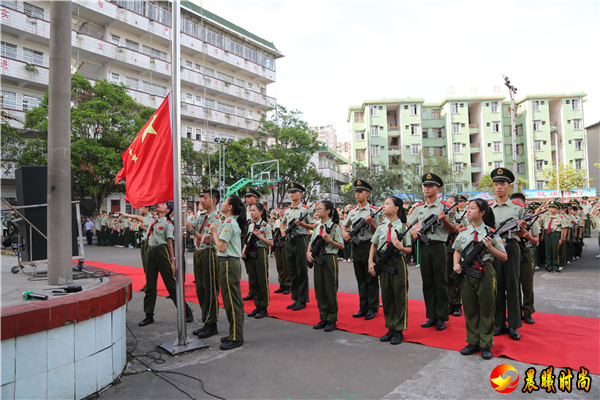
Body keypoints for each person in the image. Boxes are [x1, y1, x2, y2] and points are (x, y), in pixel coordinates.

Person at [453, 198, 507, 360]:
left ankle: (485, 344)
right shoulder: (464, 232)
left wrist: (490, 247)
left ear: (482, 212)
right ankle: (472, 341)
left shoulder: (491, 233)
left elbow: (504, 256)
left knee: (486, 309)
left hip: (484, 272)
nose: (468, 211)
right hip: (466, 272)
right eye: (467, 208)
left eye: (472, 208)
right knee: (470, 309)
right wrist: (455, 264)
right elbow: (457, 250)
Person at [407, 173, 455, 331]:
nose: (427, 188)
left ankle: (441, 316)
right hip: (424, 247)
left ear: (438, 188)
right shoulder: (420, 208)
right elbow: (407, 221)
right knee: (427, 282)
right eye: (425, 186)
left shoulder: (445, 208)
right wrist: (413, 231)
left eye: (430, 186)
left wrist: (445, 221)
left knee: (440, 282)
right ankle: (431, 315)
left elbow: (454, 229)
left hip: (439, 246)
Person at [138, 201, 193, 327]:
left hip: (163, 253)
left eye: (163, 204)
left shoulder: (168, 224)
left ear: (167, 210)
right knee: (150, 286)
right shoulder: (153, 221)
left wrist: (172, 260)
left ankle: (186, 310)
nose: (159, 205)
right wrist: (125, 214)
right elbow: (138, 218)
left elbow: (169, 243)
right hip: (151, 252)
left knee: (171, 284)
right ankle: (149, 314)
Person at [489, 168, 526, 341]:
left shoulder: (518, 208)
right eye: (496, 184)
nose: (499, 187)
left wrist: (522, 228)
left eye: (502, 184)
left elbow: (528, 232)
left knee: (512, 285)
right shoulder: (488, 208)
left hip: (511, 246)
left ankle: (513, 325)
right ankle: (499, 323)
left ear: (508, 186)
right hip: (494, 247)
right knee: (497, 286)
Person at [368, 196, 412, 345]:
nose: (383, 206)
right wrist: (370, 262)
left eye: (387, 204)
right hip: (382, 262)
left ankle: (399, 329)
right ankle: (390, 327)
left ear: (396, 208)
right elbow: (373, 245)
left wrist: (401, 248)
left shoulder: (403, 227)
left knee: (399, 296)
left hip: (397, 262)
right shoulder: (381, 226)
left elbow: (409, 249)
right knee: (386, 297)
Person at [341, 179, 384, 320]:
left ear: (367, 193)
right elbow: (344, 225)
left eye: (360, 191)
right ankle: (363, 307)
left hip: (370, 246)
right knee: (360, 278)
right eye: (356, 191)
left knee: (371, 278)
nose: (357, 194)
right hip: (356, 246)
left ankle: (372, 307)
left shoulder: (375, 211)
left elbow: (379, 232)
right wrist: (345, 234)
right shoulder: (352, 212)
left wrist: (371, 224)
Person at [209, 195, 247, 350]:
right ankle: (234, 333)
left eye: (225, 202)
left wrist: (214, 232)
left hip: (228, 264)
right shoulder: (230, 222)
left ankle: (237, 336)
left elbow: (221, 247)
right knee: (230, 300)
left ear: (230, 207)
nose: (222, 204)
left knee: (232, 301)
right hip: (228, 263)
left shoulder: (229, 223)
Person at [185, 189, 222, 339]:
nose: (201, 200)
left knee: (210, 289)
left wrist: (193, 232)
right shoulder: (200, 216)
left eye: (204, 198)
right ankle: (206, 320)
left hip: (209, 255)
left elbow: (211, 240)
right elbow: (188, 224)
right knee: (200, 289)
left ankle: (212, 323)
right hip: (198, 254)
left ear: (213, 200)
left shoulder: (216, 218)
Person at [308, 200, 344, 332]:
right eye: (316, 209)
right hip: (317, 258)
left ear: (328, 211)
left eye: (319, 209)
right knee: (320, 288)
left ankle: (331, 318)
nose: (317, 211)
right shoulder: (317, 225)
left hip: (329, 258)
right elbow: (312, 242)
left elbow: (341, 246)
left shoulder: (334, 227)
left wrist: (329, 241)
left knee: (330, 288)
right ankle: (323, 317)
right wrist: (308, 252)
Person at [280, 182, 316, 311]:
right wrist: (283, 230)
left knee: (301, 270)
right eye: (290, 192)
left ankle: (302, 299)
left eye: (294, 192)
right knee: (292, 270)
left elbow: (313, 226)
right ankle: (295, 298)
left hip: (301, 241)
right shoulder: (288, 210)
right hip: (289, 241)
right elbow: (282, 223)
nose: (292, 194)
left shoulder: (306, 210)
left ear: (300, 194)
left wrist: (302, 225)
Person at [511, 194, 540, 325]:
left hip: (526, 254)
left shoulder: (530, 219)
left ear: (523, 204)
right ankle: (515, 312)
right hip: (512, 254)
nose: (515, 205)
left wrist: (528, 236)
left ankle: (527, 312)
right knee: (513, 286)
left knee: (527, 285)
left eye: (518, 203)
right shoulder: (509, 220)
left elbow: (537, 240)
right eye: (513, 203)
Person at [243, 203, 274, 319]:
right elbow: (248, 240)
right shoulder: (251, 226)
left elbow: (271, 243)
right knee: (253, 279)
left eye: (254, 210)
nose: (251, 212)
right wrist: (244, 249)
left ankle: (264, 307)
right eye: (250, 210)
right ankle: (257, 305)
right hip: (251, 252)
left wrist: (260, 236)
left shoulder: (265, 226)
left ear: (261, 212)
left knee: (262, 280)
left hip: (261, 252)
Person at [118, 206, 154, 290]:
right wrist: (138, 236)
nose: (140, 209)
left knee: (149, 265)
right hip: (143, 241)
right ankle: (148, 283)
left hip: (148, 242)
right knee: (145, 264)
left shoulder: (151, 218)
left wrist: (142, 226)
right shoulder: (144, 217)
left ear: (147, 209)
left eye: (142, 208)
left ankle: (150, 285)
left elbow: (152, 231)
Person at [445, 195, 464, 317]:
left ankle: (457, 304)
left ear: (457, 204)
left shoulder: (463, 217)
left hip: (459, 249)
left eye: (450, 203)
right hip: (447, 248)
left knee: (457, 277)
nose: (448, 205)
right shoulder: (444, 217)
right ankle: (450, 303)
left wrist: (459, 229)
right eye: (446, 203)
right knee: (448, 277)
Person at [242, 187, 260, 301]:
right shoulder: (244, 211)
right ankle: (252, 291)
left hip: (256, 242)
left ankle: (258, 292)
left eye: (250, 197)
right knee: (249, 267)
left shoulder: (259, 210)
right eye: (246, 197)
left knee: (257, 268)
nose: (247, 199)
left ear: (255, 198)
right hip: (246, 240)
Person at [272, 202, 291, 294]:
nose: (280, 210)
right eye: (279, 208)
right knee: (279, 264)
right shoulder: (277, 221)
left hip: (285, 243)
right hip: (278, 244)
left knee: (286, 265)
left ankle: (288, 284)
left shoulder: (288, 220)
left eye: (282, 208)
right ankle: (281, 283)